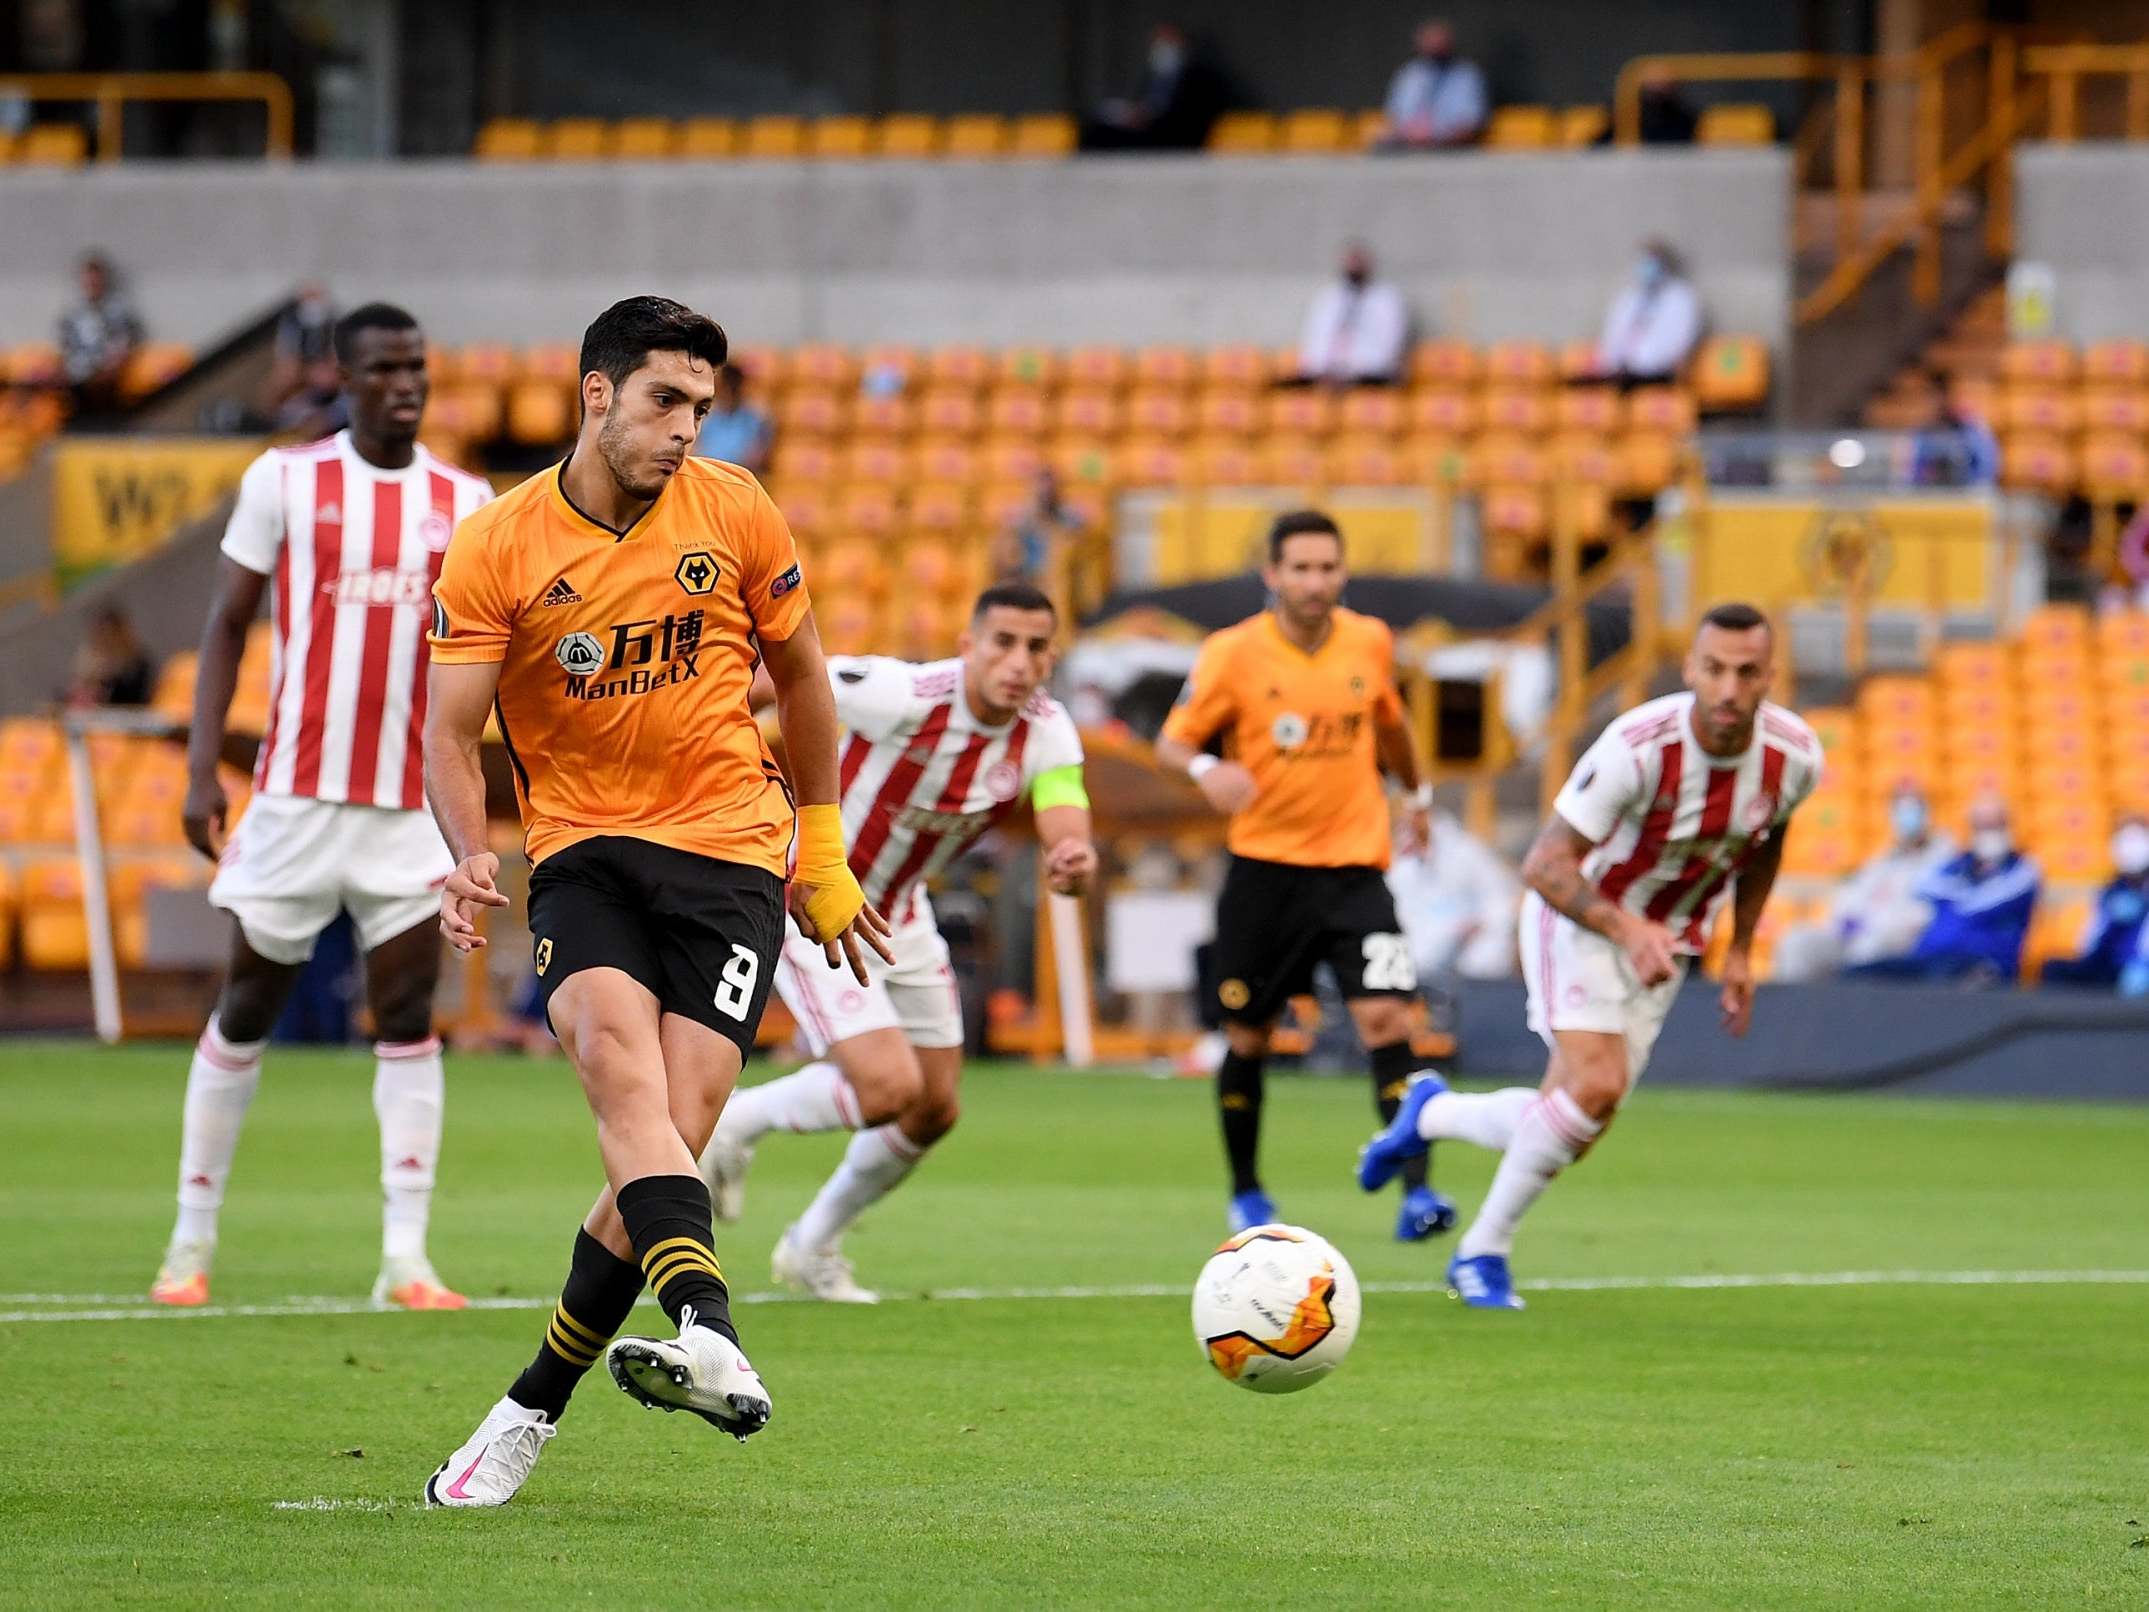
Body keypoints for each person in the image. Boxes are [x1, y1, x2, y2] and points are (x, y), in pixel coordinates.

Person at [418, 294, 890, 1508]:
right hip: (582, 854)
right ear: (596, 394)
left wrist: (823, 849)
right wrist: (471, 851)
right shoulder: (498, 543)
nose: (687, 430)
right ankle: (712, 1330)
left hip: (732, 852)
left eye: (702, 408)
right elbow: (450, 731)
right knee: (621, 1081)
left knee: (667, 1135)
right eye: (665, 402)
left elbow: (802, 675)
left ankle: (529, 1404)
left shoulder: (735, 510)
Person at [149, 303, 495, 1312]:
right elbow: (225, 625)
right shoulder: (286, 480)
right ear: (342, 376)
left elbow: (483, 659)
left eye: (418, 367)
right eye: (385, 367)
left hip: (405, 812)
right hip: (295, 798)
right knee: (247, 1006)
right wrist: (201, 765)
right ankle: (189, 1241)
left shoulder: (466, 499)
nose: (406, 384)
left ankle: (406, 1258)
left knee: (404, 1016)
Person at [1359, 603, 1821, 1310]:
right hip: (1576, 918)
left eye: (1746, 673)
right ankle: (1481, 1252)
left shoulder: (1793, 759)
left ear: (1769, 676)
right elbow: (1544, 865)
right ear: (1690, 668)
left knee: (1571, 1125)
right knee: (1595, 1088)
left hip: (1662, 945)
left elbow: (1765, 845)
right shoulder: (1638, 746)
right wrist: (1626, 927)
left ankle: (1431, 1113)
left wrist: (1740, 949)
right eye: (1715, 670)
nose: (1729, 689)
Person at [699, 582, 1097, 1302]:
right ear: (968, 645)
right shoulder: (901, 694)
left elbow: (1065, 819)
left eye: (1035, 648)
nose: (1018, 661)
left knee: (933, 1106)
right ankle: (735, 1122)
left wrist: (1072, 861)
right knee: (886, 1089)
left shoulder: (1047, 730)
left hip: (900, 915)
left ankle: (811, 1246)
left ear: (1051, 658)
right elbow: (778, 679)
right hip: (814, 896)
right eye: (1002, 642)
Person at [1155, 509, 1453, 1242]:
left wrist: (1415, 796)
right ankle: (1247, 1190)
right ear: (1273, 575)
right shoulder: (1232, 654)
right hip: (1266, 873)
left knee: (1388, 1021)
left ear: (1341, 573)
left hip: (1355, 871)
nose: (1315, 583)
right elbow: (1171, 741)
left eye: (1328, 569)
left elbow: (1390, 725)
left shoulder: (1369, 641)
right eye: (1301, 569)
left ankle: (1416, 1193)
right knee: (1249, 1035)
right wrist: (1206, 768)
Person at [1772, 782, 1954, 981]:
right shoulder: (1883, 860)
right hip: (1854, 937)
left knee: (1873, 944)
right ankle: (1792, 1007)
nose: (1906, 818)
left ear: (1926, 813)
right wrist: (1846, 920)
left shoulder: (1943, 860)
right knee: (1798, 942)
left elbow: (1923, 913)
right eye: (1900, 810)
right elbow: (1852, 897)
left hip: (1895, 942)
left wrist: (1876, 926)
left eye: (1913, 810)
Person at [1849, 794, 2038, 984]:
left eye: (1993, 825)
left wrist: (1953, 896)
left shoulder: (2022, 870)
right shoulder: (1958, 865)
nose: (1986, 833)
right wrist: (1961, 888)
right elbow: (1921, 887)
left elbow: (1981, 903)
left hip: (1982, 962)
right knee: (1857, 974)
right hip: (1930, 957)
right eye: (1979, 826)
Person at [1386, 810, 1519, 983]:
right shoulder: (1402, 867)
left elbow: (1499, 898)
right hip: (1427, 959)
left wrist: (1480, 924)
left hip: (1476, 949)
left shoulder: (1467, 852)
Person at [1079, 23, 1228, 153]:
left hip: (1175, 135)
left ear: (1182, 43)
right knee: (1096, 129)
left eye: (1168, 41)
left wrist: (1150, 117)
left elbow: (1191, 115)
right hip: (1148, 129)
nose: (1162, 46)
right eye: (1158, 41)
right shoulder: (1154, 75)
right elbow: (1142, 103)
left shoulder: (1198, 75)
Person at [2042, 815, 2149, 994]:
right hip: (2108, 964)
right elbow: (2090, 939)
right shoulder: (2111, 890)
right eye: (2125, 840)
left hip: (2139, 964)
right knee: (2053, 969)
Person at [1290, 242, 1410, 388]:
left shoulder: (1386, 298)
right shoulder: (1329, 297)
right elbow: (1316, 334)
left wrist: (1355, 367)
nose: (1354, 268)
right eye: (1350, 263)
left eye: (1358, 263)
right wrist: (1323, 367)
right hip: (1329, 371)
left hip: (1370, 371)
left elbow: (1391, 339)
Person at [1590, 239, 1703, 387]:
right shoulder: (1629, 298)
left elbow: (1679, 342)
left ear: (1664, 265)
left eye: (1651, 262)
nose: (1645, 267)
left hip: (1658, 372)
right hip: (1623, 372)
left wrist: (1646, 362)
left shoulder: (1681, 298)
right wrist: (1612, 363)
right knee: (1582, 387)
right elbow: (1612, 335)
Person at [1374, 20, 1488, 151]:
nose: (1435, 46)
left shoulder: (1467, 75)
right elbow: (1394, 115)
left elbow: (1471, 121)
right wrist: (1412, 133)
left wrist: (1437, 135)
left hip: (1450, 147)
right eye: (1430, 41)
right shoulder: (1410, 74)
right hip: (1409, 145)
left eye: (1439, 41)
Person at [58, 251, 142, 416]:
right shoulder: (73, 315)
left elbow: (125, 344)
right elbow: (67, 349)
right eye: (89, 279)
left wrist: (108, 368)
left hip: (110, 377)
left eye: (96, 279)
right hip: (80, 378)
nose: (92, 284)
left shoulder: (118, 312)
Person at [992, 465, 1085, 584]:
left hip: (1058, 577)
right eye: (1041, 486)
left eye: (1050, 487)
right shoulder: (1020, 518)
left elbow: (1077, 539)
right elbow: (1008, 550)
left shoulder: (1068, 516)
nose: (1046, 492)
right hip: (1026, 576)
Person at [1908, 374, 2000, 488]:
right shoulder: (1923, 433)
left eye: (1934, 397)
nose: (1931, 403)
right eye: (1927, 398)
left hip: (1967, 495)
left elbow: (1985, 471)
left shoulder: (1973, 430)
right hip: (1931, 495)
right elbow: (1915, 473)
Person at [68, 603, 155, 707]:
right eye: (101, 634)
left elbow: (136, 698)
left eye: (111, 634)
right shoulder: (91, 659)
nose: (107, 639)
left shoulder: (138, 664)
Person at [693, 362, 773, 474]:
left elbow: (757, 455)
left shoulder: (757, 417)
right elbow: (695, 449)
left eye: (724, 387)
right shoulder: (707, 415)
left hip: (740, 477)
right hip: (706, 474)